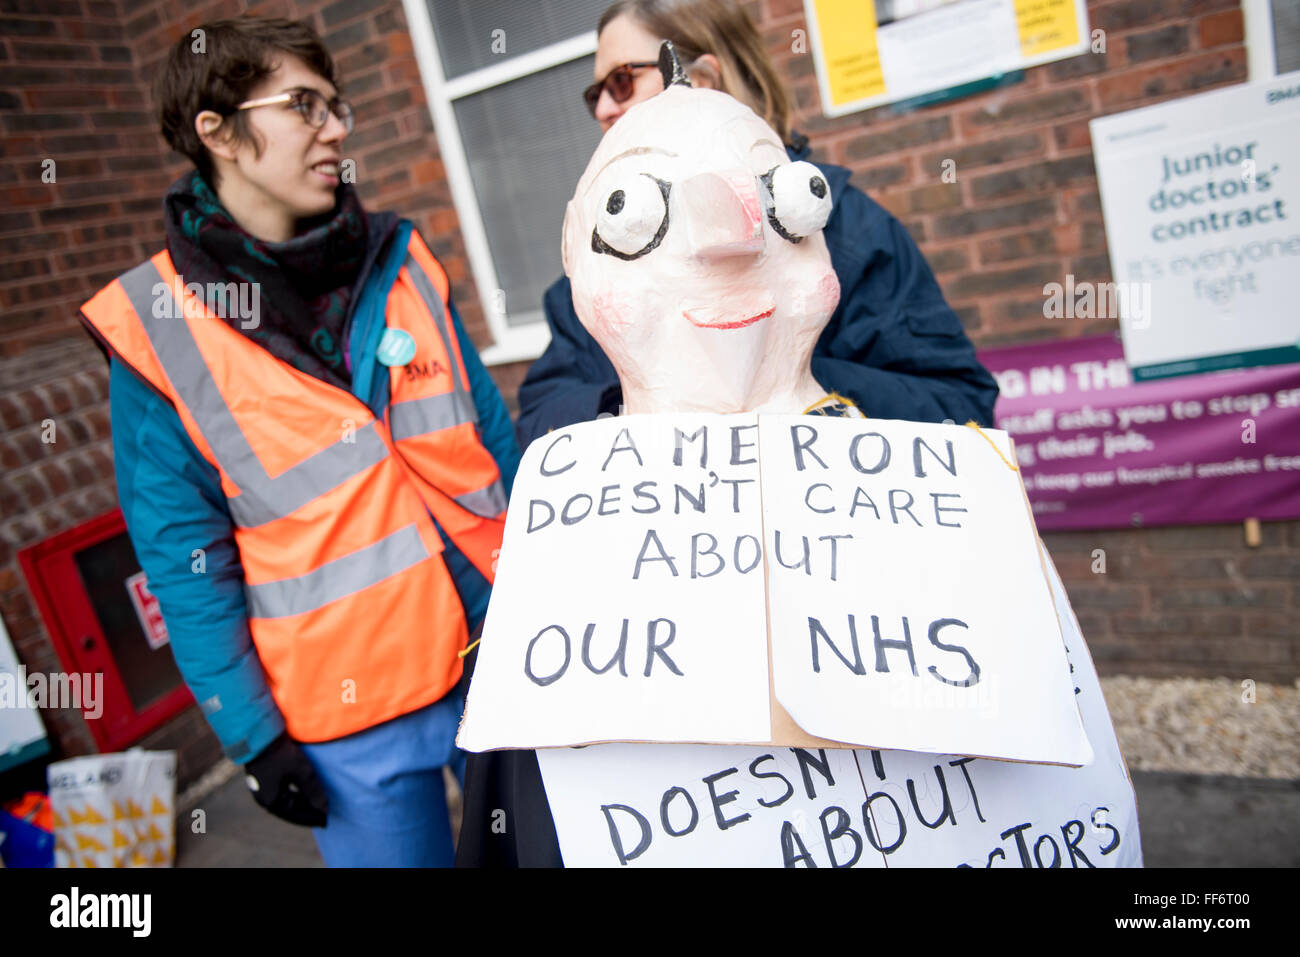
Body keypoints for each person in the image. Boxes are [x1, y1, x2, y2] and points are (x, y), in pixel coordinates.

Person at [79, 16, 520, 867]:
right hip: (349, 718)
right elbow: (185, 559)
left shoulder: (403, 256)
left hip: (501, 648)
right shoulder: (157, 331)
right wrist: (251, 737)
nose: (337, 128)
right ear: (220, 134)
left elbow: (492, 441)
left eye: (339, 106)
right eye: (305, 106)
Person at [515, 0, 999, 450]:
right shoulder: (601, 259)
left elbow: (957, 403)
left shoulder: (848, 229)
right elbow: (540, 420)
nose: (603, 108)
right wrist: (623, 406)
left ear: (699, 80)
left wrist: (791, 382)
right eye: (594, 93)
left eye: (622, 81)